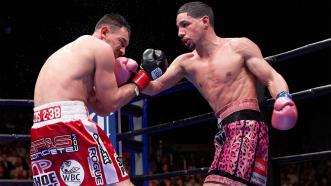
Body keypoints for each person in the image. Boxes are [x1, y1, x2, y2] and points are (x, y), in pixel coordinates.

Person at [141, 1, 298, 186]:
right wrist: (139, 72)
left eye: (185, 24)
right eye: (178, 27)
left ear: (205, 21)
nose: (180, 33)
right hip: (223, 132)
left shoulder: (239, 47)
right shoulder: (185, 62)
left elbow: (271, 77)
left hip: (247, 127)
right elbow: (153, 88)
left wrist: (283, 98)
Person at [30, 13, 167, 186]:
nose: (123, 51)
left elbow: (102, 109)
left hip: (41, 131)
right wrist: (141, 80)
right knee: (121, 182)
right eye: (121, 42)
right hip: (70, 125)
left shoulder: (70, 54)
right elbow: (112, 102)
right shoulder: (100, 48)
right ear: (104, 32)